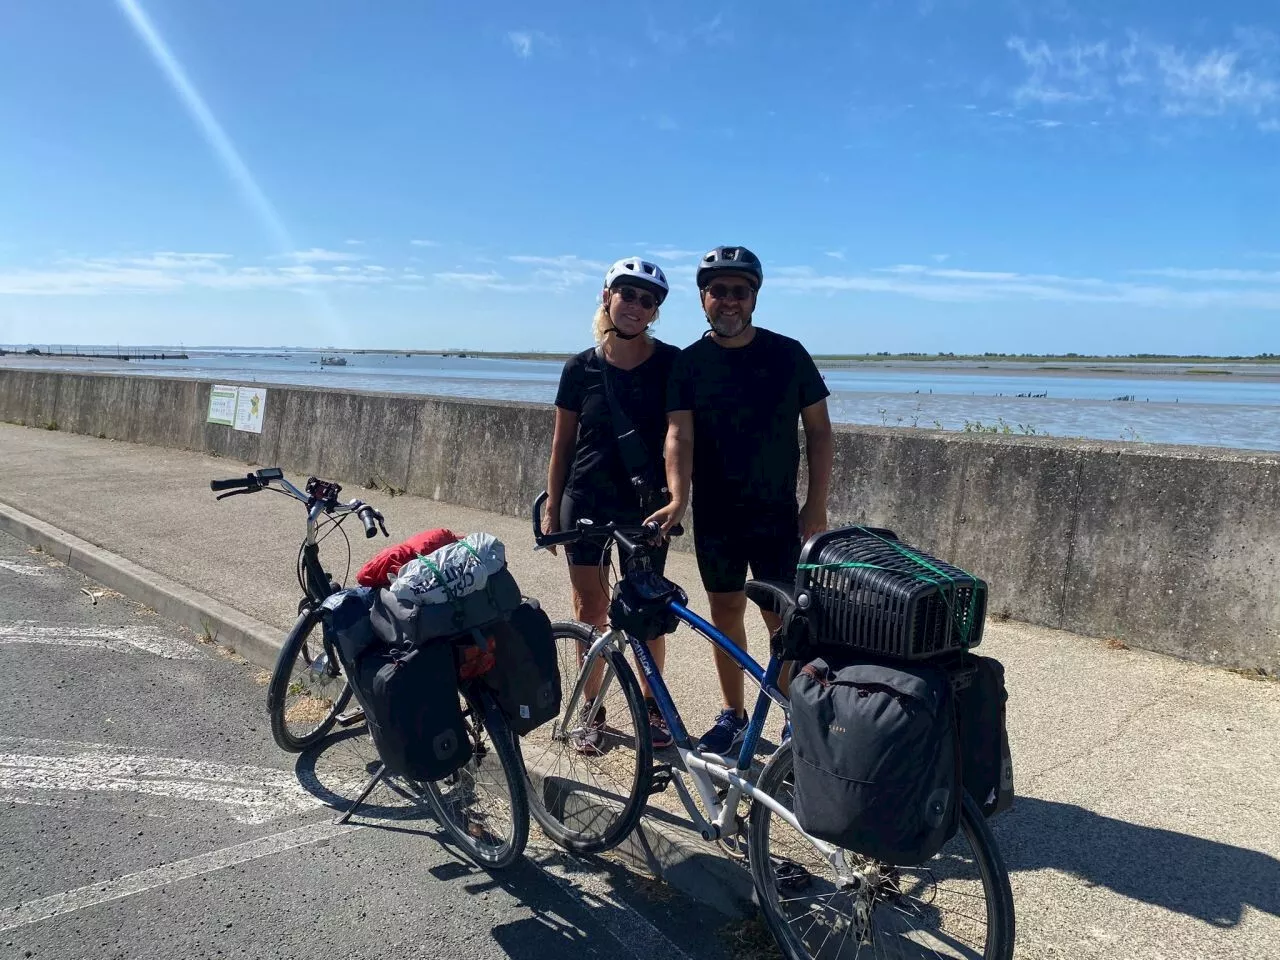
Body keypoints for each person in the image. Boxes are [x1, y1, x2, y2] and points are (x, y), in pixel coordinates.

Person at [647, 245, 833, 756]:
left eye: (739, 291)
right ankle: (733, 715)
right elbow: (677, 437)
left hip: (777, 515)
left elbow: (819, 432)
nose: (728, 301)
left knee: (787, 621)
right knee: (725, 613)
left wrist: (814, 506)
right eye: (718, 291)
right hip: (717, 516)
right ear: (703, 298)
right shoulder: (688, 364)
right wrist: (679, 499)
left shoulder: (787, 354)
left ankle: (795, 718)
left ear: (754, 297)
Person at [545, 257, 679, 753]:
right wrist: (551, 504)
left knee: (646, 611)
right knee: (591, 611)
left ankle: (652, 705)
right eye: (628, 294)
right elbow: (562, 444)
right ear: (607, 297)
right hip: (586, 501)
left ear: (655, 312)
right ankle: (591, 709)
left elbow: (678, 436)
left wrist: (677, 498)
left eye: (648, 300)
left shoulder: (670, 364)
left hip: (646, 508)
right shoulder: (579, 368)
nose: (636, 306)